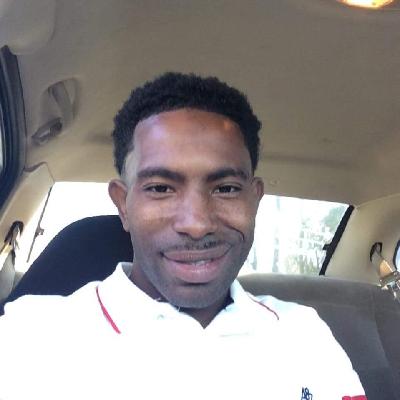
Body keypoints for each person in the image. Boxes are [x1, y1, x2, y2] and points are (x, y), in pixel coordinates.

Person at [0, 73, 366, 400]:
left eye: (226, 188)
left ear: (254, 200)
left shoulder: (304, 334)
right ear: (123, 205)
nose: (196, 224)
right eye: (161, 188)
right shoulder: (32, 338)